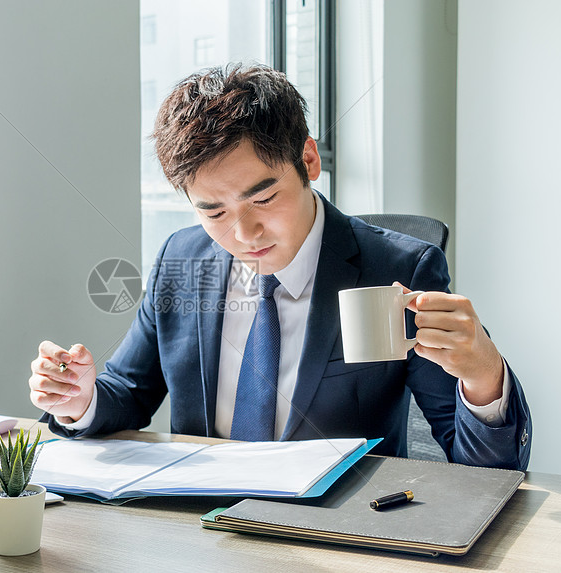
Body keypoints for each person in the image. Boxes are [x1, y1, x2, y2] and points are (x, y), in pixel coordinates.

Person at [28, 64, 531, 470]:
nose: (243, 235)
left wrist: (484, 376)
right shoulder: (181, 258)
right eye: (213, 211)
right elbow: (131, 394)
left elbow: (485, 468)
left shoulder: (397, 269)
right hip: (199, 527)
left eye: (263, 198)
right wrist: (80, 398)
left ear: (309, 161)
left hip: (335, 530)